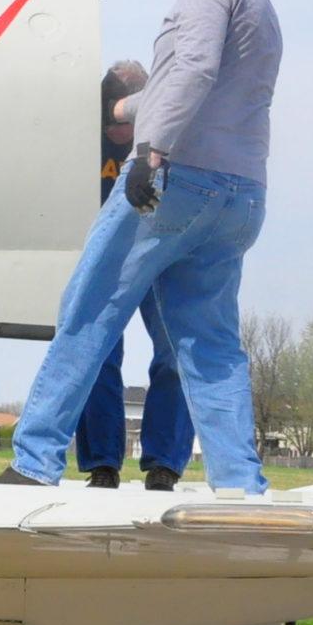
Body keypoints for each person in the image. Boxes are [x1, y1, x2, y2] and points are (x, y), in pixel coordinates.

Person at [8, 0, 281, 495]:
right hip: (242, 196)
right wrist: (120, 109)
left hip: (179, 180)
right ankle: (240, 485)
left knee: (89, 309)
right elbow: (206, 84)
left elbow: (193, 69)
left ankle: (34, 462)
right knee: (210, 346)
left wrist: (151, 148)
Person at [73, 60, 193, 491]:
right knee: (96, 353)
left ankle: (164, 464)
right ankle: (102, 464)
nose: (117, 127)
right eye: (111, 114)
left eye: (126, 115)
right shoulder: (82, 144)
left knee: (174, 353)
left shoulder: (169, 139)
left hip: (161, 256)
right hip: (106, 259)